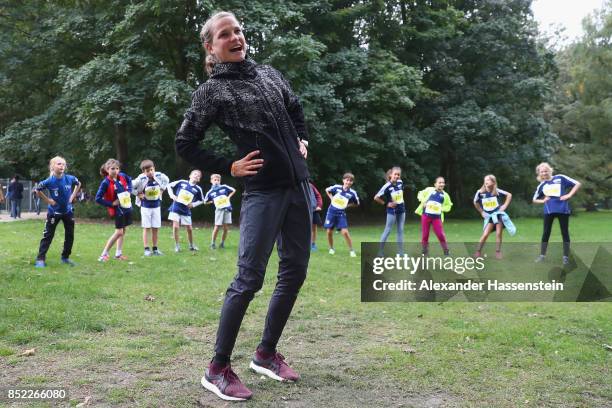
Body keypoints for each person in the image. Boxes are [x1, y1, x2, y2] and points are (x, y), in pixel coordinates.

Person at [175, 11, 311, 401]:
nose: (235, 37)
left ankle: (265, 354)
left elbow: (296, 107)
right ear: (210, 46)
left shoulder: (269, 74)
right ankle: (217, 367)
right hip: (263, 192)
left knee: (295, 272)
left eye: (237, 31)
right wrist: (228, 167)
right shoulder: (212, 91)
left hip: (299, 187)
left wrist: (302, 141)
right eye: (224, 34)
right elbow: (185, 143)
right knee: (248, 279)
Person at [34, 156, 81, 267]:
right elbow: (37, 190)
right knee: (48, 235)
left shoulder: (70, 178)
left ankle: (65, 257)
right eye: (59, 164)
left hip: (68, 212)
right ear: (52, 166)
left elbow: (78, 184)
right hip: (54, 213)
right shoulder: (49, 181)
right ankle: (40, 259)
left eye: (64, 164)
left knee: (70, 235)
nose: (62, 166)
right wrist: (48, 200)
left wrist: (72, 196)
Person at [532, 162, 581, 265]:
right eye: (542, 172)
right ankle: (542, 256)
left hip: (563, 210)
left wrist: (569, 195)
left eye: (546, 171)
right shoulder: (542, 185)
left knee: (564, 233)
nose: (544, 173)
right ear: (539, 174)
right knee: (546, 233)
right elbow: (534, 199)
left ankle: (565, 257)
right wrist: (543, 200)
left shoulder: (560, 178)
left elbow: (577, 184)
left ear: (550, 170)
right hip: (549, 211)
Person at [95, 159, 133, 262]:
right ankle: (104, 254)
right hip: (117, 210)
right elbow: (97, 198)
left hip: (126, 207)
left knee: (123, 230)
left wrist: (129, 191)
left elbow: (130, 181)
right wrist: (111, 204)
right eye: (112, 169)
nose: (115, 171)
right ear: (107, 170)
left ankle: (118, 254)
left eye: (117, 168)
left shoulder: (123, 176)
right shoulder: (105, 183)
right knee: (119, 232)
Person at [132, 159, 170, 256]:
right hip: (145, 207)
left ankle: (155, 249)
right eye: (147, 171)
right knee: (146, 228)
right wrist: (137, 194)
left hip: (156, 206)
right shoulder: (140, 179)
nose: (150, 172)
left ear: (154, 168)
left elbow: (167, 180)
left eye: (151, 170)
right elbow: (129, 186)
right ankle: (146, 249)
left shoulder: (159, 175)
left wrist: (162, 189)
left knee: (155, 228)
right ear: (143, 172)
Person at [473, 175, 515, 259]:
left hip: (498, 215)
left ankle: (498, 252)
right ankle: (478, 251)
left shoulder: (496, 191)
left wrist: (504, 206)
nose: (486, 181)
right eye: (485, 180)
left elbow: (509, 195)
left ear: (493, 182)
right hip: (489, 217)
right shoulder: (480, 192)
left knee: (499, 233)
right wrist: (481, 211)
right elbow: (475, 202)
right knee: (485, 234)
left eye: (488, 180)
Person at [167, 170, 205, 252]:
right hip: (176, 207)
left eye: (198, 175)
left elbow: (202, 200)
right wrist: (172, 195)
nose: (196, 176)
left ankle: (191, 246)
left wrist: (193, 204)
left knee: (189, 229)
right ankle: (177, 246)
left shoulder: (198, 189)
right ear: (190, 175)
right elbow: (169, 185)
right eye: (195, 174)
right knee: (176, 226)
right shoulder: (182, 182)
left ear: (199, 179)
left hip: (186, 210)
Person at [324, 173, 360, 257]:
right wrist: (331, 198)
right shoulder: (336, 187)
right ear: (343, 180)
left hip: (341, 214)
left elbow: (357, 203)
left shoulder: (352, 193)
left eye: (350, 181)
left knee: (345, 232)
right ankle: (331, 249)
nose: (348, 182)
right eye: (347, 180)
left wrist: (347, 206)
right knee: (329, 231)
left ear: (352, 182)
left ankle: (351, 250)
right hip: (331, 212)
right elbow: (327, 190)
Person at [415, 177, 453, 256]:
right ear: (435, 184)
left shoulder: (445, 195)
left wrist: (441, 208)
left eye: (443, 183)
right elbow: (420, 193)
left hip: (437, 218)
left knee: (440, 234)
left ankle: (446, 250)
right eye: (439, 183)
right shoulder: (429, 190)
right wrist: (423, 202)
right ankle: (425, 250)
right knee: (425, 234)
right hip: (426, 216)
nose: (441, 184)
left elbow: (449, 205)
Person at [374, 167, 406, 255]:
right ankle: (380, 251)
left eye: (398, 174)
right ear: (391, 175)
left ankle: (400, 252)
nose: (397, 176)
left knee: (400, 230)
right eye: (395, 174)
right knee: (388, 230)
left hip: (402, 210)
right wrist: (386, 204)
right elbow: (376, 197)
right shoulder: (387, 186)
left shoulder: (400, 182)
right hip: (392, 211)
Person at [204, 174, 236, 249]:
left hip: (227, 209)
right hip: (219, 210)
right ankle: (213, 243)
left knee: (226, 228)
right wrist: (212, 202)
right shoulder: (210, 192)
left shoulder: (224, 187)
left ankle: (222, 243)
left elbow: (233, 190)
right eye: (215, 180)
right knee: (217, 226)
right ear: (211, 181)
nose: (216, 181)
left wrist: (228, 197)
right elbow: (205, 202)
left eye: (218, 180)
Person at [309, 182, 323, 251]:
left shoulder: (311, 185)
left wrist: (319, 206)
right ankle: (306, 244)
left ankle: (313, 244)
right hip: (304, 211)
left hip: (314, 210)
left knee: (314, 228)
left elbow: (318, 196)